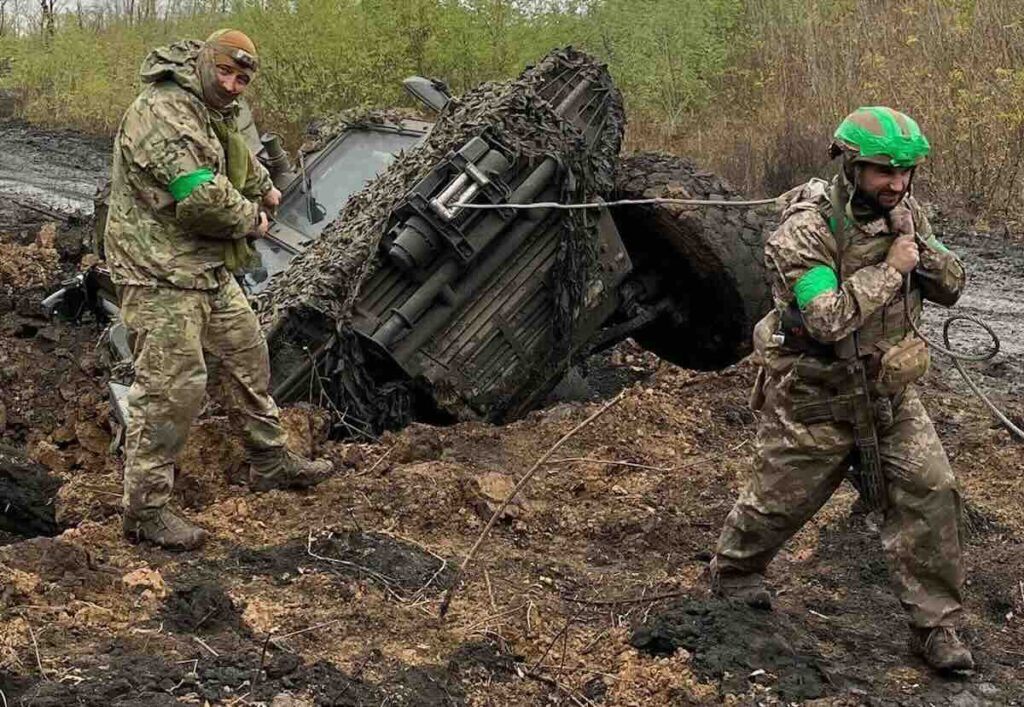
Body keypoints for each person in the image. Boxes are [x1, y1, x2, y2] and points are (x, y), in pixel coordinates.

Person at [710, 106, 973, 672]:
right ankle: (735, 576)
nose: (897, 184)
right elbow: (826, 318)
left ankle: (937, 627)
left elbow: (953, 287)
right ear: (851, 165)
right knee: (775, 504)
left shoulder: (906, 213)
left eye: (906, 173)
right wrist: (893, 270)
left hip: (889, 394)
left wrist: (919, 249)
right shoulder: (805, 229)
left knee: (931, 490)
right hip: (816, 396)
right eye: (883, 171)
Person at [104, 29, 333, 551]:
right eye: (225, 72)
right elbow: (200, 196)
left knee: (248, 357)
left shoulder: (211, 108)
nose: (232, 85)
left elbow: (232, 155)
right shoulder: (162, 109)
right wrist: (252, 217)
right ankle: (145, 511)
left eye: (241, 79)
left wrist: (264, 186)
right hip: (159, 271)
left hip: (204, 268)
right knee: (172, 387)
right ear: (204, 63)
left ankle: (269, 460)